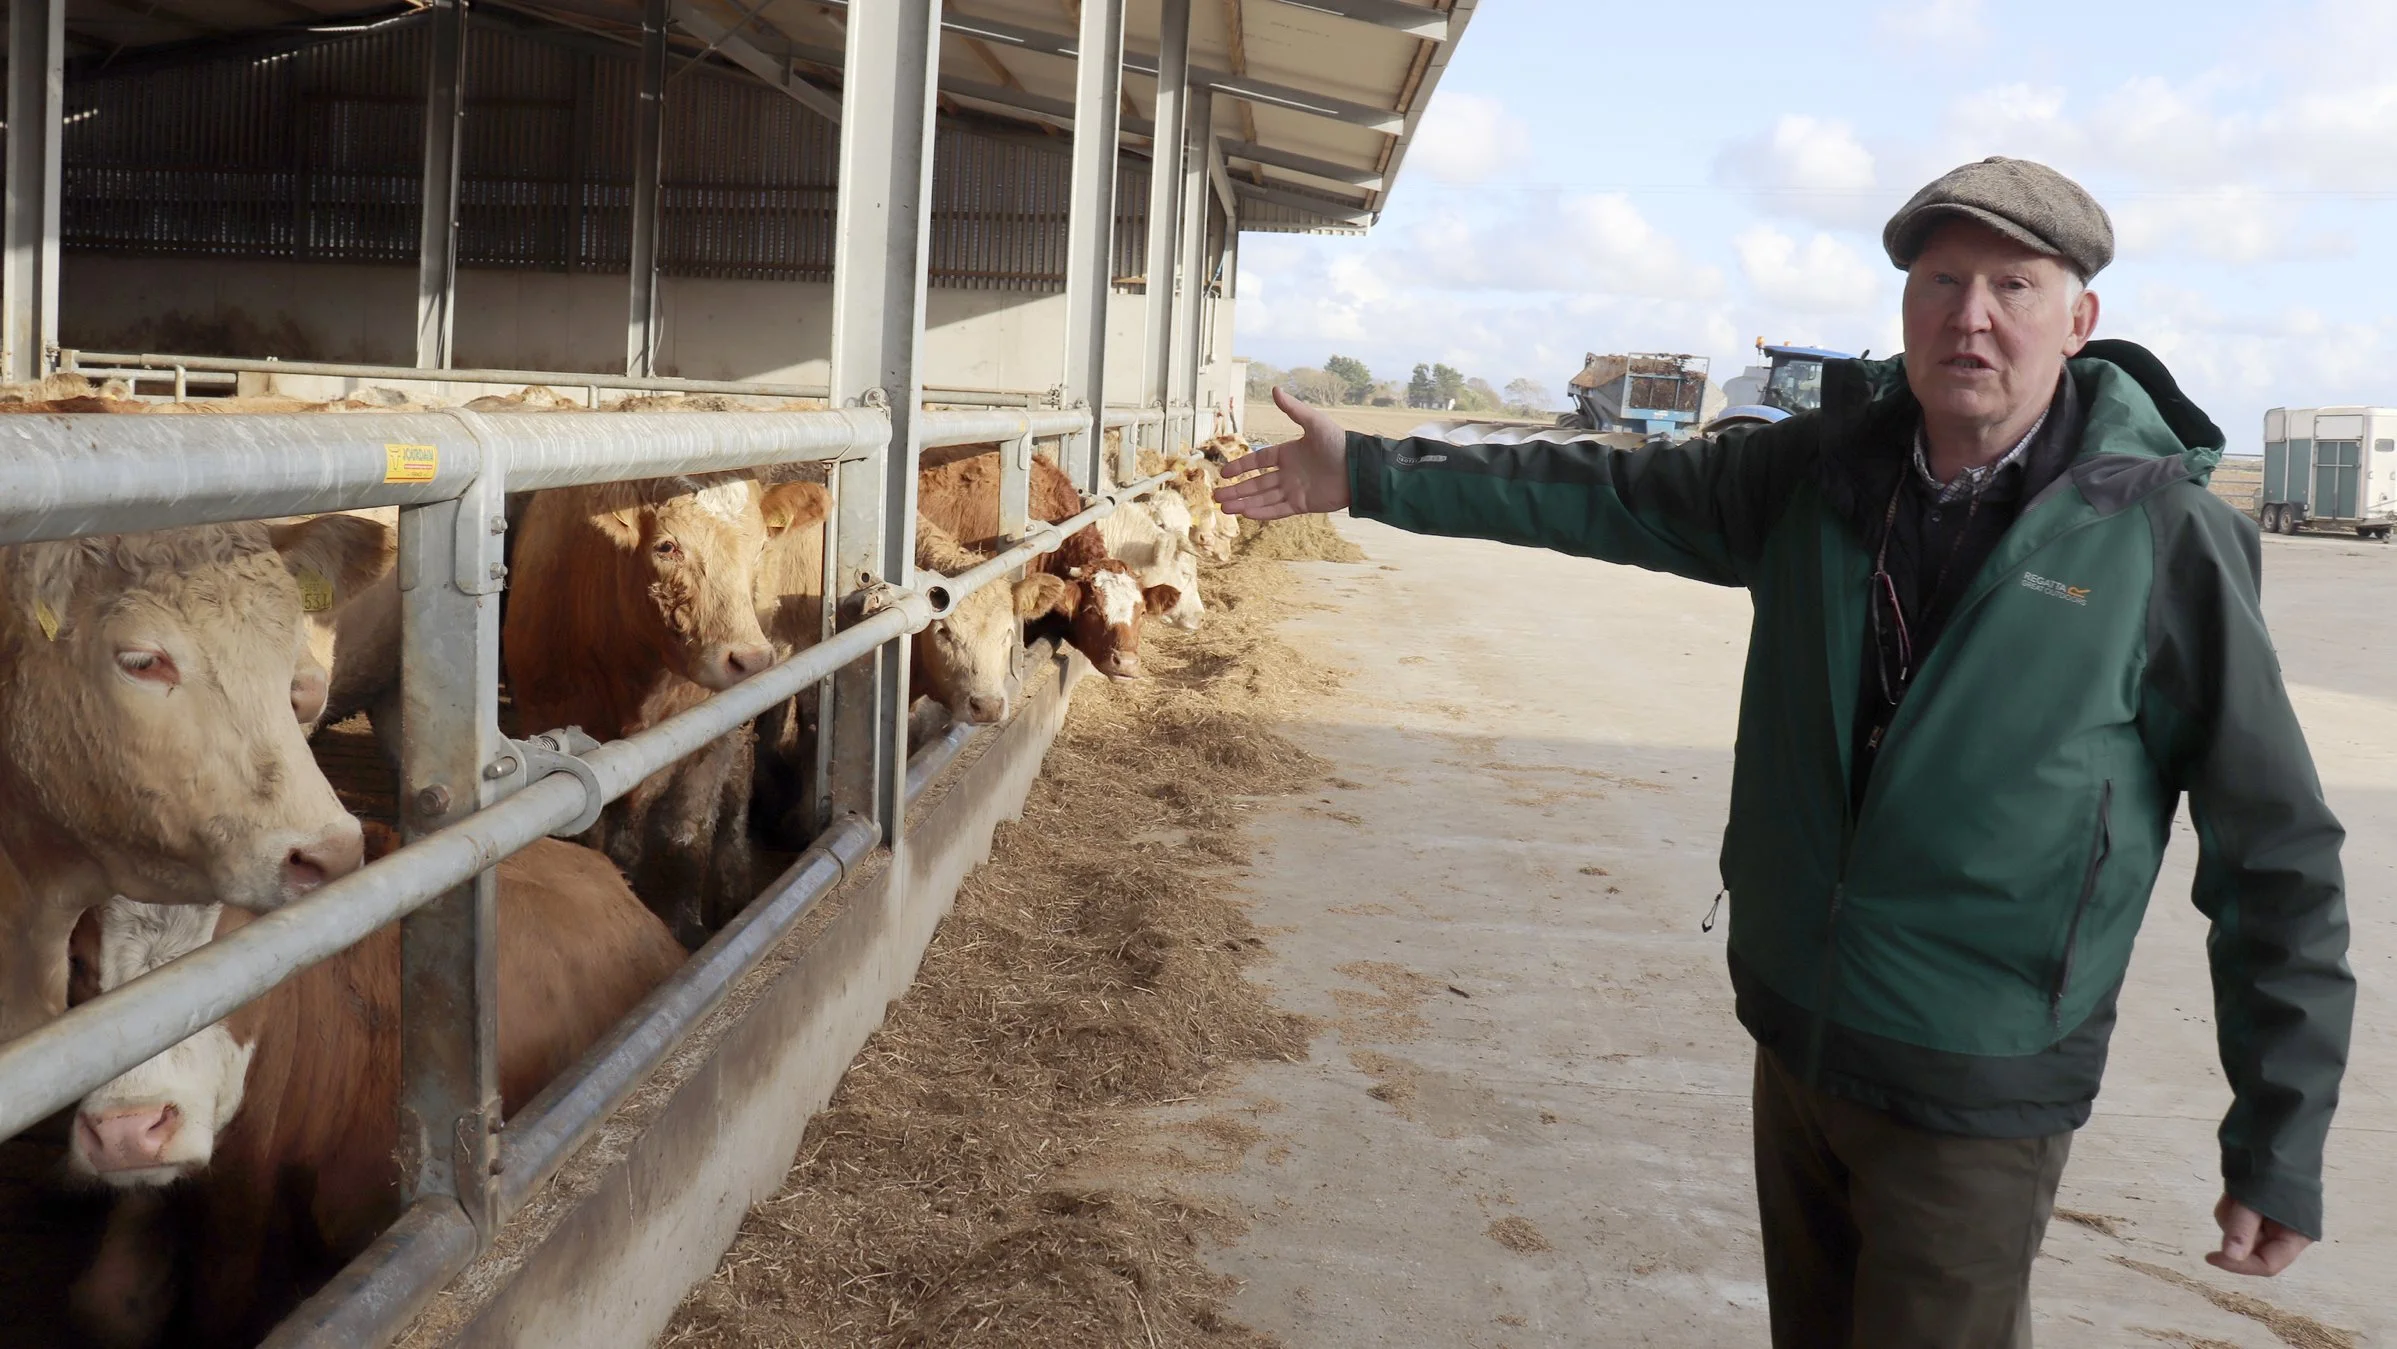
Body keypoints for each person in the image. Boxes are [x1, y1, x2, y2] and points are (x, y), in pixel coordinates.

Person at [1215, 157, 2353, 1349]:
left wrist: (2279, 1135)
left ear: (2079, 320)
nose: (1971, 315)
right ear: (1905, 305)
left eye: (2013, 285)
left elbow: (2274, 850)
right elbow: (1604, 490)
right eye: (1940, 279)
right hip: (1800, 1032)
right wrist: (1374, 471)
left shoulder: (2162, 538)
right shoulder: (1820, 475)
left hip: (1977, 1069)